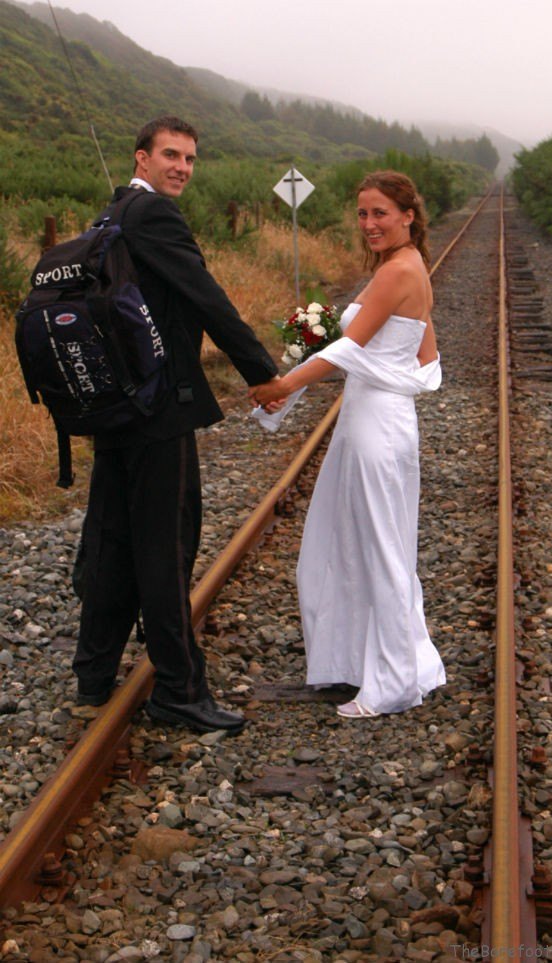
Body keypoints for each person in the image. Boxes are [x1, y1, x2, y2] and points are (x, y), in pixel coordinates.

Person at [72, 116, 280, 734]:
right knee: (165, 546)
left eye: (190, 158)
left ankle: (93, 672)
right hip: (157, 410)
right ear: (141, 158)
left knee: (113, 538)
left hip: (114, 407)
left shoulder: (109, 216)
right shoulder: (155, 216)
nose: (182, 167)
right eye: (170, 155)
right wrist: (261, 373)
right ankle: (179, 690)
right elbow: (206, 296)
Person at [250, 170, 446, 718]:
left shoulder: (396, 272)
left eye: (380, 212)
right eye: (362, 214)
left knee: (378, 548)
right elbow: (425, 359)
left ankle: (391, 684)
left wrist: (284, 385)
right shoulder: (410, 268)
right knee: (377, 544)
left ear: (408, 215)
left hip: (373, 428)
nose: (369, 224)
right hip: (386, 421)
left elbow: (347, 350)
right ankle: (387, 662)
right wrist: (388, 377)